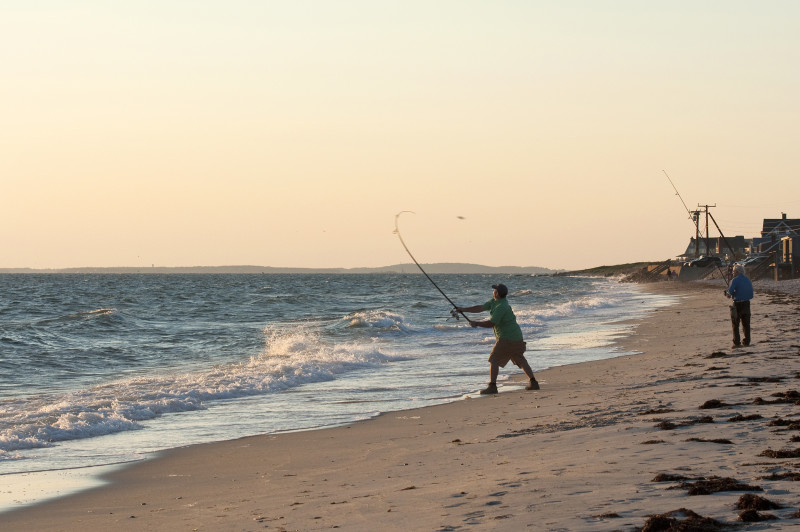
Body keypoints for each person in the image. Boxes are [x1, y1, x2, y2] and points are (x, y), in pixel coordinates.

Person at [456, 283, 539, 394]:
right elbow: (480, 307)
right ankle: (534, 382)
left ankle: (492, 386)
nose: (493, 291)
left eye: (495, 290)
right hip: (516, 337)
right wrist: (463, 310)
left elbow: (492, 323)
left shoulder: (501, 307)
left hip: (507, 338)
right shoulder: (495, 302)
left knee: (494, 360)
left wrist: (477, 323)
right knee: (520, 359)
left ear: (497, 293)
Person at [724, 264, 753, 347]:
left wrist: (727, 293)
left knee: (735, 324)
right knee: (746, 324)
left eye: (733, 272)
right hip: (747, 304)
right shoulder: (747, 280)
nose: (733, 273)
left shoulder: (735, 280)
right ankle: (747, 341)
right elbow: (751, 294)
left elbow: (729, 293)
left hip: (737, 304)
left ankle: (737, 342)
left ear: (737, 272)